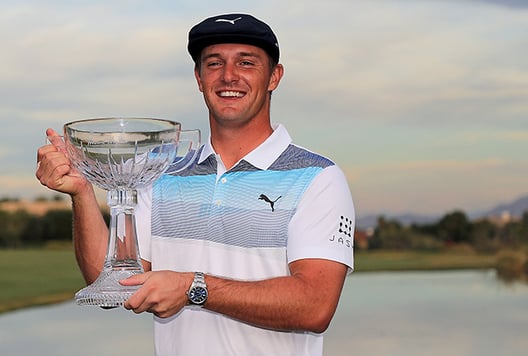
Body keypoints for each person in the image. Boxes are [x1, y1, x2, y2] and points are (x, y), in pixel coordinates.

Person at [36, 13, 354, 356]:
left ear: (274, 76)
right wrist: (82, 191)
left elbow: (315, 306)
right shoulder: (158, 171)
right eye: (214, 63)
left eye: (246, 62)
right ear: (199, 78)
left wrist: (193, 288)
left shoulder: (318, 177)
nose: (228, 76)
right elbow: (112, 283)